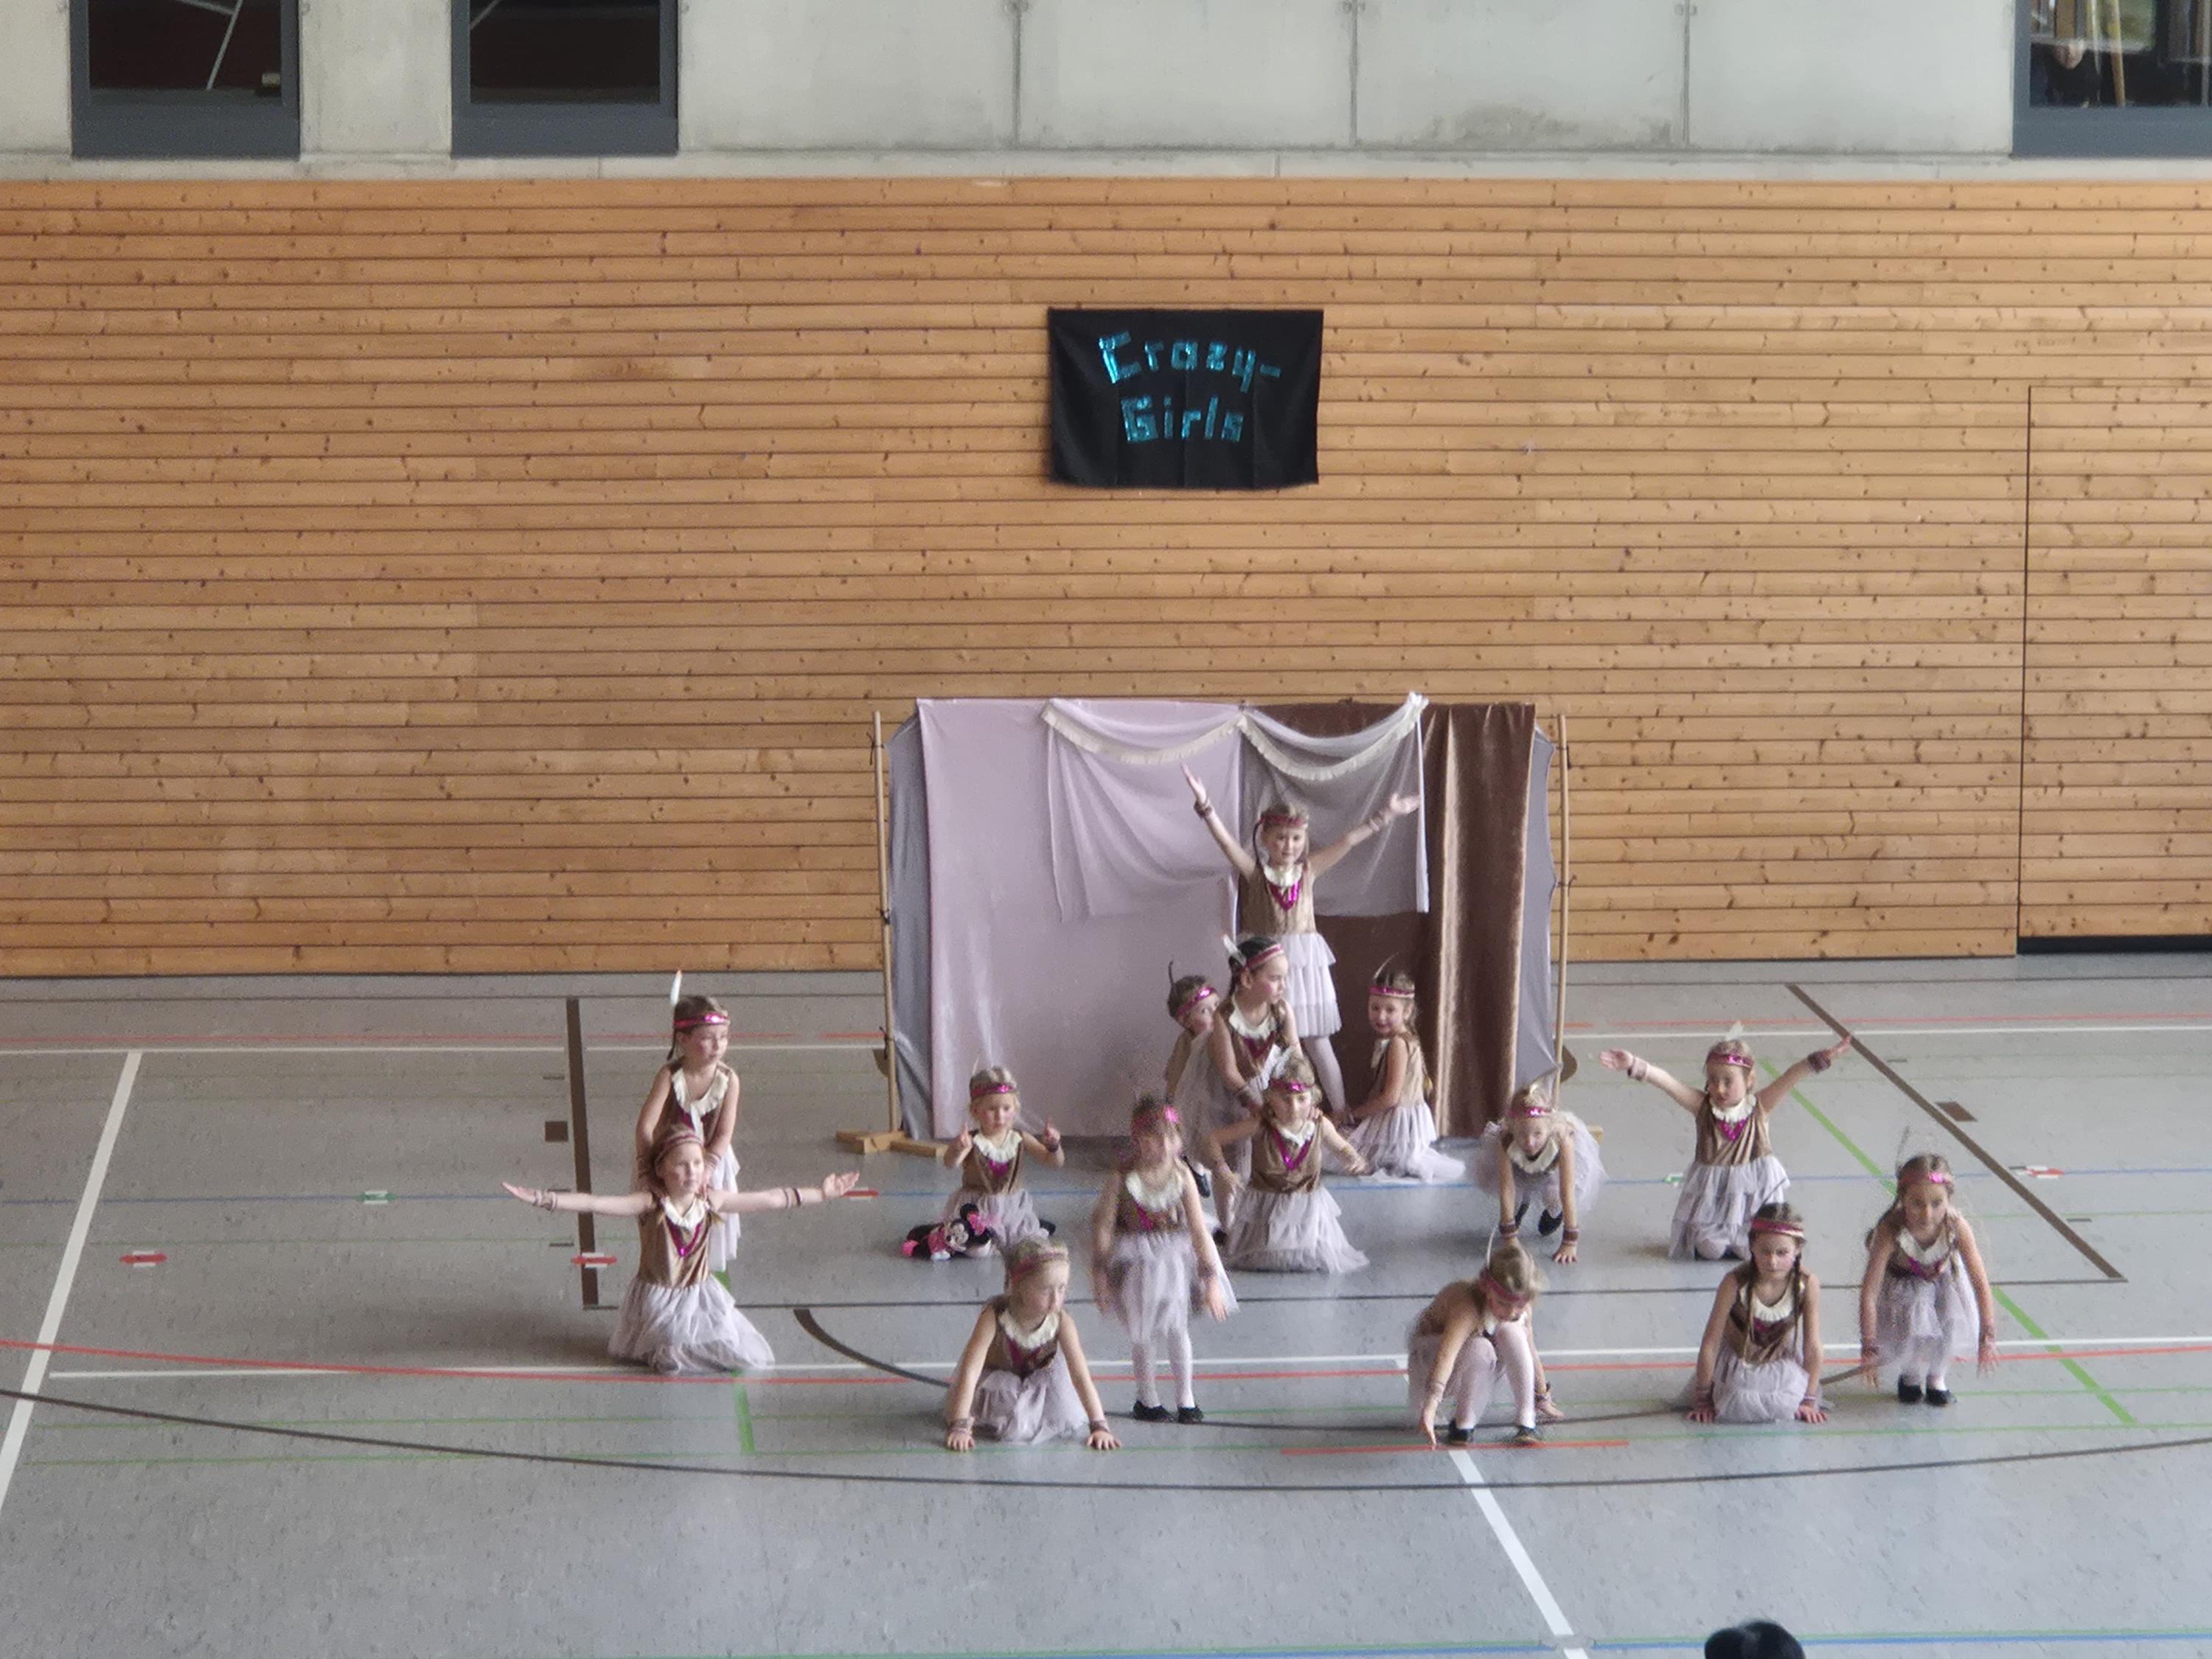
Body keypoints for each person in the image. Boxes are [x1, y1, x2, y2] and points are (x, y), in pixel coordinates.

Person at [504, 1130, 856, 1374]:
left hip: (700, 1293)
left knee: (738, 1349)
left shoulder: (711, 1201)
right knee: (673, 1345)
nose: (692, 1172)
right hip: (660, 1294)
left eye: (698, 1164)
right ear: (661, 1169)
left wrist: (821, 1193)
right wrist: (545, 1199)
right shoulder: (650, 1204)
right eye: (682, 1165)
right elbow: (596, 1203)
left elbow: (770, 1199)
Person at [1183, 764, 1418, 1115]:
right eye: (1280, 837)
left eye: (1296, 838)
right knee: (1266, 1041)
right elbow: (1226, 843)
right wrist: (1206, 806)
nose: (1289, 845)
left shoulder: (1308, 870)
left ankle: (1340, 1113)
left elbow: (1348, 841)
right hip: (1265, 966)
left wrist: (1385, 815)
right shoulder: (1255, 873)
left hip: (1304, 965)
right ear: (1265, 839)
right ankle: (1271, 1111)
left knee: (1318, 1042)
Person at [1599, 1032, 1851, 1259]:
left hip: (1751, 1192)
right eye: (1713, 1080)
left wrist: (1819, 1060)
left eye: (1728, 1081)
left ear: (1749, 1080)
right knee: (1710, 1248)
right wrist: (1634, 1064)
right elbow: (1669, 1083)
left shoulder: (1760, 1107)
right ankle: (1718, 1235)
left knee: (1747, 1249)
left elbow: (1790, 1077)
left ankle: (1744, 1234)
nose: (1719, 1088)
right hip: (1714, 1195)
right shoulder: (1703, 1107)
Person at [1089, 1094, 1234, 1424]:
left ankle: (1186, 1398)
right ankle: (1147, 1398)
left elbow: (1198, 1230)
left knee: (1177, 1329)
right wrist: (1100, 1275)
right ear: (1138, 1140)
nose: (1165, 1147)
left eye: (1171, 1138)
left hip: (1174, 1261)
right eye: (1155, 1139)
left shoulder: (1182, 1176)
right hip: (1137, 1261)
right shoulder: (1122, 1177)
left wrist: (1210, 1280)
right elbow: (1104, 1224)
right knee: (1143, 1333)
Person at [943, 1238, 1119, 1451]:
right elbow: (971, 1371)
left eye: (1062, 1289)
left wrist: (1099, 1425)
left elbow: (1080, 1376)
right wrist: (960, 1425)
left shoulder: (1061, 1321)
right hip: (999, 1383)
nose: (1055, 1300)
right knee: (1004, 1403)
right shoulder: (994, 1316)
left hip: (1039, 1382)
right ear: (1018, 1286)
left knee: (1061, 1403)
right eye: (1045, 1290)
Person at [1206, 1050, 1372, 1272]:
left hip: (1306, 1203)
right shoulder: (1260, 1125)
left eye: (1302, 1099)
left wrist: (1355, 1159)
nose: (1294, 1108)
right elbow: (1213, 1139)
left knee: (1310, 1255)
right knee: (1262, 1256)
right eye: (1285, 1100)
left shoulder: (1320, 1125)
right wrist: (1222, 1169)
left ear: (1313, 1098)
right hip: (1267, 1205)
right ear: (1270, 1098)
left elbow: (1342, 1147)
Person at [1858, 1152, 1999, 1405]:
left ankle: (1937, 1376)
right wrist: (1869, 1345)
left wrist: (1987, 1334)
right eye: (1917, 1203)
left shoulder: (1956, 1227)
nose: (1927, 1213)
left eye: (1936, 1203)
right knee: (1913, 1313)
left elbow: (1980, 1282)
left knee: (1950, 1317)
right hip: (1903, 1286)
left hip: (1944, 1280)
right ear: (1903, 1198)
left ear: (1949, 1198)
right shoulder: (1891, 1230)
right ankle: (1910, 1375)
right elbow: (1870, 1292)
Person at [1687, 1203, 1828, 1425]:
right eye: (1765, 1252)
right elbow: (1711, 1343)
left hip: (1781, 1364)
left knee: (1784, 1402)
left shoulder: (1807, 1284)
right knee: (1739, 1396)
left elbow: (1812, 1345)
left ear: (1798, 1249)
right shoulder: (1734, 1283)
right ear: (1752, 1246)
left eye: (1782, 1253)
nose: (1772, 1261)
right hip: (1739, 1364)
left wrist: (1809, 1399)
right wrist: (1703, 1398)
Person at [633, 992, 742, 1271]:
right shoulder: (669, 1077)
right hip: (671, 1167)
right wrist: (648, 1171)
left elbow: (723, 1134)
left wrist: (708, 1169)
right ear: (683, 1039)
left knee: (708, 1234)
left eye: (724, 1037)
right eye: (708, 1038)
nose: (718, 1045)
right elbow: (645, 1126)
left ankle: (703, 1284)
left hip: (709, 1165)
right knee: (665, 1234)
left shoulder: (729, 1080)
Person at [1200, 934, 1298, 1237]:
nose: (1282, 985)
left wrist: (1297, 1090)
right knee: (1231, 1155)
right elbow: (1229, 1071)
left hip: (1266, 1081)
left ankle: (1257, 1217)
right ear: (1246, 979)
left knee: (1263, 1153)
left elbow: (1294, 1055)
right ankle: (1227, 1223)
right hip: (1228, 1091)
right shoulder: (1225, 1017)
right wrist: (1253, 1102)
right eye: (1275, 978)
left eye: (1284, 978)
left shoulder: (1281, 1011)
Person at [1408, 1240, 1545, 1447]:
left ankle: (1526, 1421)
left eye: (1518, 1306)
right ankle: (1463, 1424)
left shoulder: (1519, 1308)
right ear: (1486, 1288)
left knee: (1513, 1331)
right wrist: (1430, 1406)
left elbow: (1530, 1349)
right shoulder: (1467, 1308)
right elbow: (1446, 1354)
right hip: (1432, 1361)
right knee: (1480, 1348)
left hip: (1476, 1363)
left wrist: (1542, 1395)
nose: (1511, 1312)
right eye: (1503, 1303)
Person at [1346, 965, 1465, 1184]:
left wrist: (1353, 1115)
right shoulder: (1403, 1038)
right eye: (1375, 1007)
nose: (1381, 1016)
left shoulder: (1398, 1044)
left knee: (1337, 1151)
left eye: (1390, 1010)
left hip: (1398, 1127)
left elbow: (1391, 1098)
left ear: (1407, 1012)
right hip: (1399, 1121)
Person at [933, 1064, 1063, 1254]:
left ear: (1015, 1109)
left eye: (1006, 1108)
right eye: (992, 1109)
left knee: (1023, 1242)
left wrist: (1054, 1146)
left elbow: (1054, 1162)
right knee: (977, 1250)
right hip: (977, 1207)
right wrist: (958, 1148)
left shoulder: (1020, 1138)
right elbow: (950, 1163)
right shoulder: (973, 1141)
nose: (1000, 1116)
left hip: (1011, 1207)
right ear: (976, 1111)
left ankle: (1027, 1227)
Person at [1471, 1080, 1604, 1265]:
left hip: (1551, 1173)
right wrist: (1510, 1237)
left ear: (1549, 1127)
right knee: (1515, 1197)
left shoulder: (1562, 1139)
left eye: (1537, 1134)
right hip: (1520, 1170)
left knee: (1553, 1196)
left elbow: (1567, 1190)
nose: (1530, 1142)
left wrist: (1570, 1241)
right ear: (1512, 1127)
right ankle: (1522, 1203)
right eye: (1522, 1134)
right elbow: (1507, 1188)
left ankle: (1554, 1212)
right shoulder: (1505, 1139)